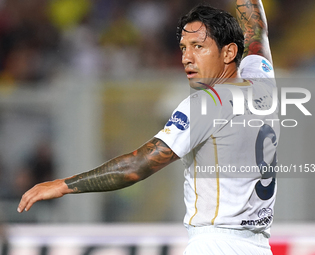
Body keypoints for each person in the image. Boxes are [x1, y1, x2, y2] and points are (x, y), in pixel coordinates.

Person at [18, 0, 279, 254]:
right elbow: (257, 32)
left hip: (214, 245)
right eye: (183, 47)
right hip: (258, 246)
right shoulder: (263, 85)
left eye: (198, 46)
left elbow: (136, 166)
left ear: (229, 53)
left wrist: (64, 185)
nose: (187, 58)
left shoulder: (206, 104)